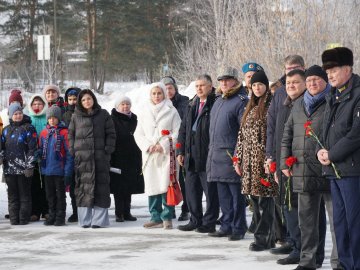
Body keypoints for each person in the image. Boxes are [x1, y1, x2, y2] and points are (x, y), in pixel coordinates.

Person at [281, 65, 341, 270]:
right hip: (302, 171)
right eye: (308, 80)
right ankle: (308, 261)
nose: (312, 84)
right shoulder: (299, 104)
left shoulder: (333, 101)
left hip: (329, 170)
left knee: (337, 222)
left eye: (316, 80)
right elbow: (287, 134)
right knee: (307, 223)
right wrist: (283, 161)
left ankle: (338, 261)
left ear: (325, 81)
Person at [317, 47, 360, 270]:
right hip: (334, 170)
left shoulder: (358, 94)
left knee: (355, 223)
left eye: (334, 70)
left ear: (348, 69)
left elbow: (356, 134)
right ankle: (344, 265)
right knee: (340, 223)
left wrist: (331, 154)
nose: (330, 75)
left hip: (353, 171)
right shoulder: (332, 96)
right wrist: (321, 150)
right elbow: (326, 130)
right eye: (328, 71)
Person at [266, 55, 305, 257]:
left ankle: (301, 247)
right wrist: (271, 156)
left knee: (299, 205)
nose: (290, 71)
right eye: (287, 68)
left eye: (295, 69)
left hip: (299, 160)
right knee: (286, 203)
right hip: (282, 159)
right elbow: (271, 126)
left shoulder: (307, 95)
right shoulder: (281, 93)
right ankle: (291, 240)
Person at [235, 70, 276, 250]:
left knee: (265, 201)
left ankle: (264, 238)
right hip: (248, 163)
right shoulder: (250, 106)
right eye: (254, 85)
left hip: (263, 163)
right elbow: (241, 136)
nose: (257, 88)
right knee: (255, 201)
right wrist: (238, 158)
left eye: (260, 84)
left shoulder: (271, 105)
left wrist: (269, 158)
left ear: (266, 85)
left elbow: (273, 135)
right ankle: (264, 235)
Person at [207, 67, 248, 241]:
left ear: (235, 81)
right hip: (216, 156)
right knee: (223, 195)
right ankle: (226, 225)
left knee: (236, 196)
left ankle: (238, 227)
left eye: (228, 80)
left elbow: (243, 132)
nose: (224, 83)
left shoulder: (240, 101)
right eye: (221, 80)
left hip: (231, 156)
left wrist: (238, 156)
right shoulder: (218, 101)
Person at [134, 82, 181, 229]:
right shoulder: (143, 111)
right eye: (154, 93)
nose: (157, 96)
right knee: (152, 185)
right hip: (150, 155)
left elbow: (177, 131)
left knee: (167, 184)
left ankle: (167, 216)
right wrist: (148, 146)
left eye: (159, 93)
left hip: (166, 155)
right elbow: (138, 133)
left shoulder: (172, 110)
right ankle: (155, 217)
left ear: (164, 94)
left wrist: (164, 145)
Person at [176, 74, 219, 232]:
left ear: (210, 86)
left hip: (207, 155)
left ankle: (209, 222)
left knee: (210, 193)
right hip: (190, 155)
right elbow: (183, 129)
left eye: (202, 85)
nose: (199, 88)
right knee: (191, 191)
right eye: (197, 86)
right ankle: (195, 220)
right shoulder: (191, 103)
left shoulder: (215, 102)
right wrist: (180, 150)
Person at [68, 89, 116, 228]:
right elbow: (70, 135)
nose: (86, 102)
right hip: (82, 159)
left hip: (100, 158)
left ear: (93, 99)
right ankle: (85, 220)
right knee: (83, 189)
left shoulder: (103, 114)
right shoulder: (75, 116)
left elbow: (111, 134)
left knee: (101, 189)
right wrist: (74, 150)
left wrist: (107, 150)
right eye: (83, 100)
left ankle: (99, 221)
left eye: (89, 99)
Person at [0, 103, 37, 225]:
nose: (18, 115)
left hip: (24, 170)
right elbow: (2, 148)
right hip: (9, 169)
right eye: (15, 114)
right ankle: (14, 218)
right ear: (11, 115)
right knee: (12, 195)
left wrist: (30, 165)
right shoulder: (6, 131)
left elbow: (32, 148)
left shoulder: (29, 128)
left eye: (20, 113)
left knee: (24, 195)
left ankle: (23, 218)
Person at [110, 95, 144, 222]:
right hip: (117, 157)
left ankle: (127, 212)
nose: (125, 106)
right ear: (117, 106)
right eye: (122, 104)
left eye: (127, 104)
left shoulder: (134, 119)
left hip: (132, 157)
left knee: (129, 186)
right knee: (118, 187)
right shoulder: (112, 119)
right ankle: (119, 213)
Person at [161, 76, 190, 221]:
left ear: (175, 89)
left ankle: (187, 208)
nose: (168, 91)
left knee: (183, 179)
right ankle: (169, 208)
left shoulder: (185, 102)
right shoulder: (160, 103)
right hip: (165, 146)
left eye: (170, 88)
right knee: (168, 178)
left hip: (181, 144)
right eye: (165, 89)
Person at [39, 106, 73, 226]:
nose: (52, 120)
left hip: (59, 170)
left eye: (54, 118)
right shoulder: (44, 133)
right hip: (47, 171)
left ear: (59, 118)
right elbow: (41, 149)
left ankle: (60, 216)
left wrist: (68, 171)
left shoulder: (64, 132)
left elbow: (69, 154)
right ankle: (51, 215)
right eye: (50, 118)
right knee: (50, 195)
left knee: (60, 196)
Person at [27, 94, 49, 222]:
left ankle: (46, 210)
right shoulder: (28, 119)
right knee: (34, 185)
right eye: (34, 104)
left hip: (47, 157)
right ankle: (35, 210)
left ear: (44, 105)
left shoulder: (48, 117)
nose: (37, 106)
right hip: (33, 158)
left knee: (46, 185)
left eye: (39, 104)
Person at [63, 87, 81, 223]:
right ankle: (75, 212)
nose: (73, 102)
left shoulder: (85, 112)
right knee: (73, 185)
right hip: (70, 153)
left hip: (84, 152)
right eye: (70, 99)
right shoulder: (64, 115)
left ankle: (85, 210)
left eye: (75, 99)